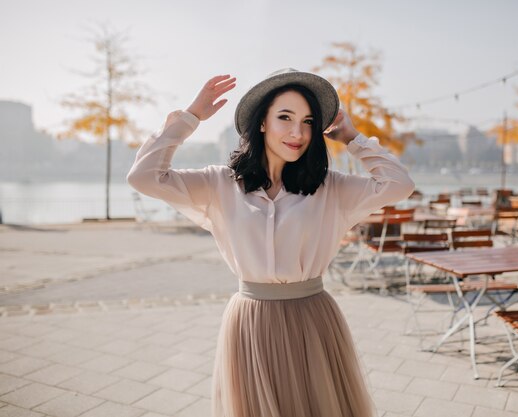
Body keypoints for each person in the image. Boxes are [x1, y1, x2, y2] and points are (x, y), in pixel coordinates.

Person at [126, 68, 415, 417]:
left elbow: (399, 185)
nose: (297, 132)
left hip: (313, 320)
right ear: (261, 122)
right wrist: (189, 118)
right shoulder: (220, 184)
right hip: (250, 323)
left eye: (308, 121)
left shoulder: (331, 188)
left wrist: (353, 138)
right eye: (285, 117)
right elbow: (144, 177)